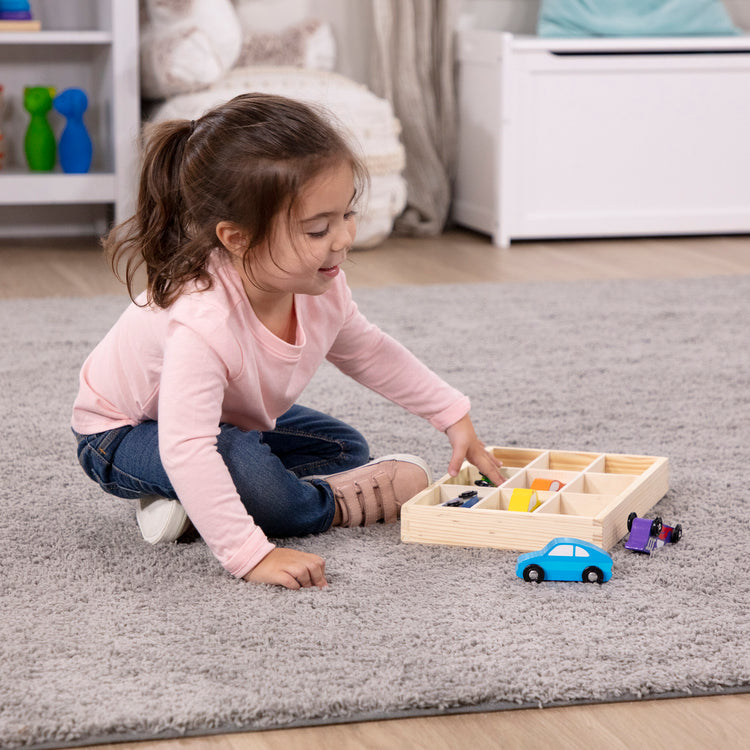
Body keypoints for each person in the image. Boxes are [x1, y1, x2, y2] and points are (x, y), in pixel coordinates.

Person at [71, 93, 503, 590]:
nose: (343, 238)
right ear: (236, 239)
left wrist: (450, 412)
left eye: (346, 214)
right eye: (318, 228)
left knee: (345, 447)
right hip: (121, 434)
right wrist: (250, 555)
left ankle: (198, 505)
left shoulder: (318, 281)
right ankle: (323, 506)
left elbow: (368, 351)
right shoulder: (203, 321)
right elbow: (187, 446)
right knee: (239, 466)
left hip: (221, 420)